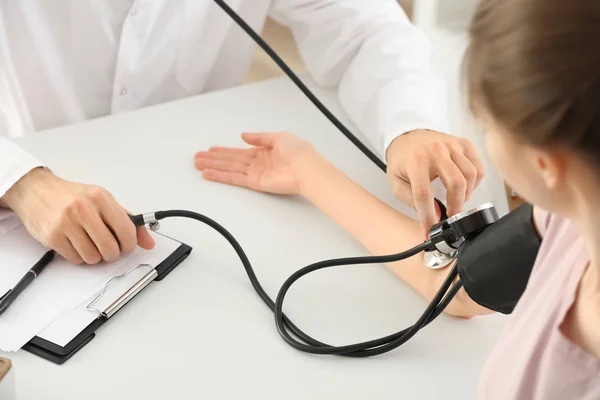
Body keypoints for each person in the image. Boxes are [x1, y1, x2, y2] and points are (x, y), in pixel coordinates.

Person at [195, 0, 600, 397]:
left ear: (546, 164)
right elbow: (457, 286)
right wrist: (309, 173)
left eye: (488, 126)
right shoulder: (562, 219)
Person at [0, 1, 484, 265]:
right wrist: (22, 182)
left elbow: (366, 29)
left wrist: (410, 124)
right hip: (30, 177)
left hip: (206, 175)